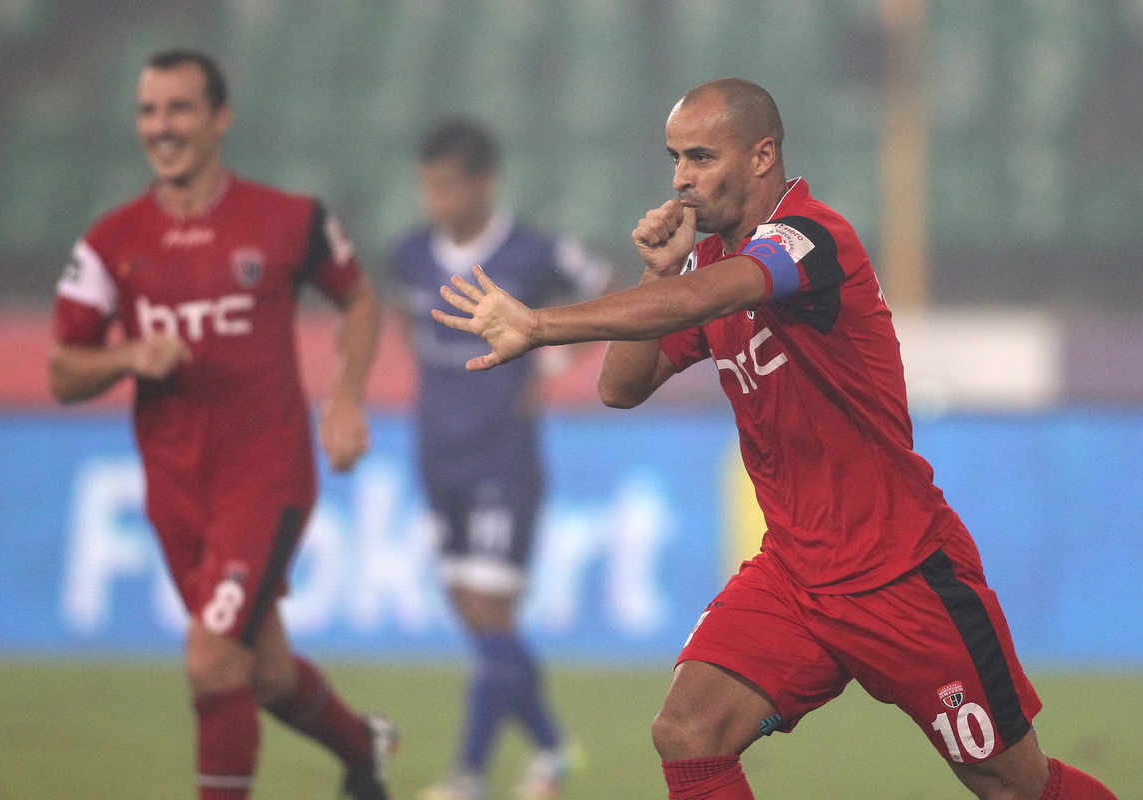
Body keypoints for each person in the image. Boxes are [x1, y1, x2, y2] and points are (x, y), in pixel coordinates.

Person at [432, 79, 1119, 800]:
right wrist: (655, 271)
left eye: (701, 157)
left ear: (761, 156)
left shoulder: (812, 238)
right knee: (689, 731)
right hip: (795, 575)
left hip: (901, 572)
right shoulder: (701, 266)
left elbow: (714, 295)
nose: (681, 179)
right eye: (675, 158)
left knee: (1015, 787)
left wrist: (542, 325)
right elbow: (621, 388)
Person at [49, 49, 396, 800]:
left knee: (210, 661)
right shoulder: (110, 243)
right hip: (175, 489)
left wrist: (344, 397)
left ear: (219, 118)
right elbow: (62, 372)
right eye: (148, 111)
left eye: (179, 108)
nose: (161, 127)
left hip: (266, 477)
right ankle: (362, 747)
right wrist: (128, 355)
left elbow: (359, 298)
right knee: (262, 673)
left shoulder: (289, 220)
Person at [388, 119, 610, 800]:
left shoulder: (530, 251)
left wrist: (555, 364)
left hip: (503, 456)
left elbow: (604, 284)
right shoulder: (408, 255)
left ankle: (469, 775)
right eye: (429, 186)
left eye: (449, 186)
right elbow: (401, 317)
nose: (437, 200)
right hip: (438, 452)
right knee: (471, 608)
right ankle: (552, 749)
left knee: (490, 606)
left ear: (484, 183)